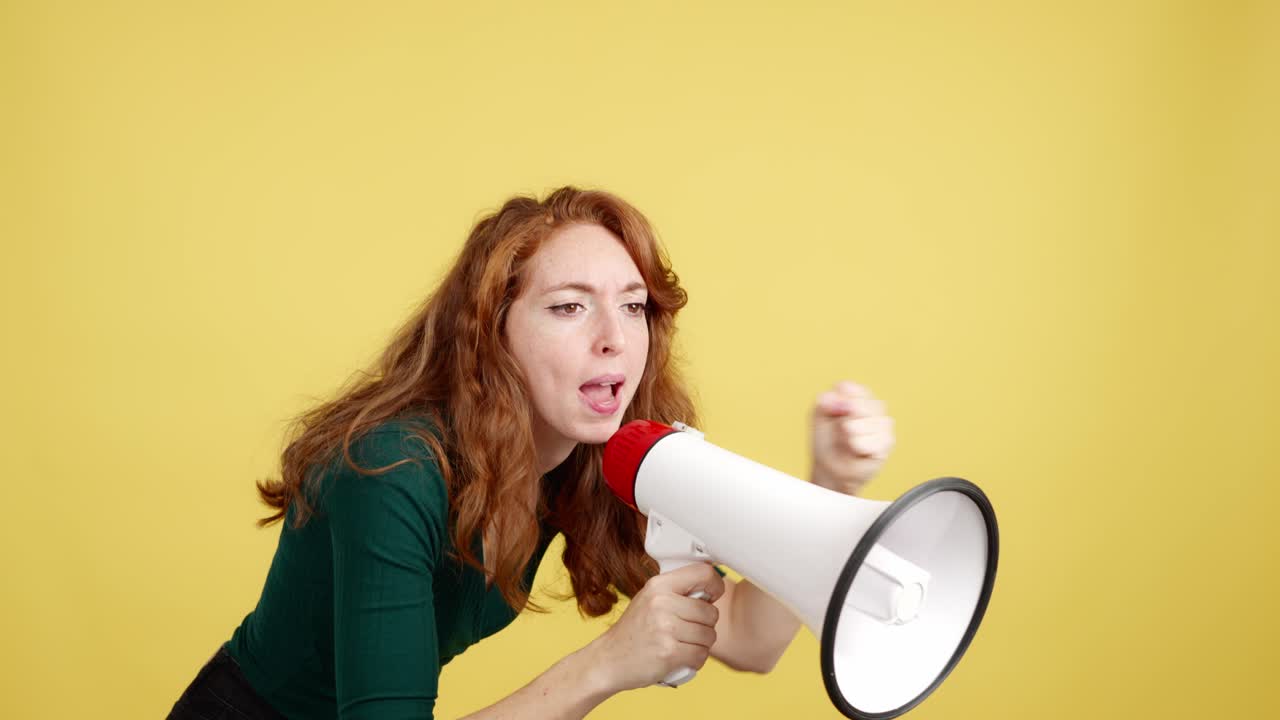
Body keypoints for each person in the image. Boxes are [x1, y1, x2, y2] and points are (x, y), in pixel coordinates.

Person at [167, 187, 896, 719]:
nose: (614, 336)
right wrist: (606, 665)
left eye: (634, 304)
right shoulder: (392, 470)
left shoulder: (589, 453)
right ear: (493, 333)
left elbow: (746, 636)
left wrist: (829, 484)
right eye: (569, 306)